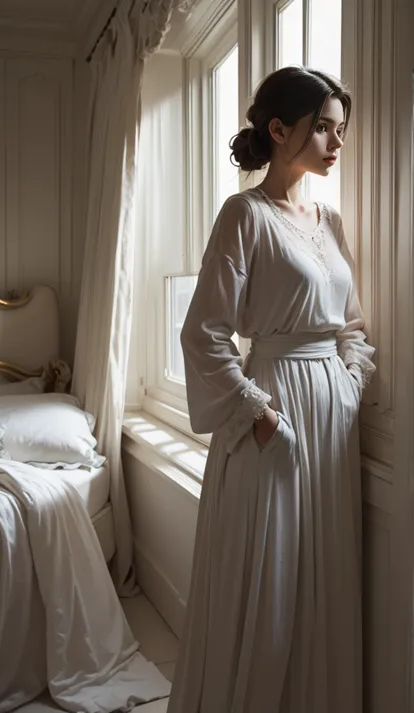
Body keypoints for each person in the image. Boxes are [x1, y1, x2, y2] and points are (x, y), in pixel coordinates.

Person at [166, 66, 375, 713]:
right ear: (280, 129)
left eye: (342, 131)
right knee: (271, 583)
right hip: (273, 414)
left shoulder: (331, 218)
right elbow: (203, 333)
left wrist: (348, 384)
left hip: (332, 418)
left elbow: (355, 325)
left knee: (325, 581)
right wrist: (258, 416)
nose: (337, 145)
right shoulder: (244, 215)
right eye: (325, 131)